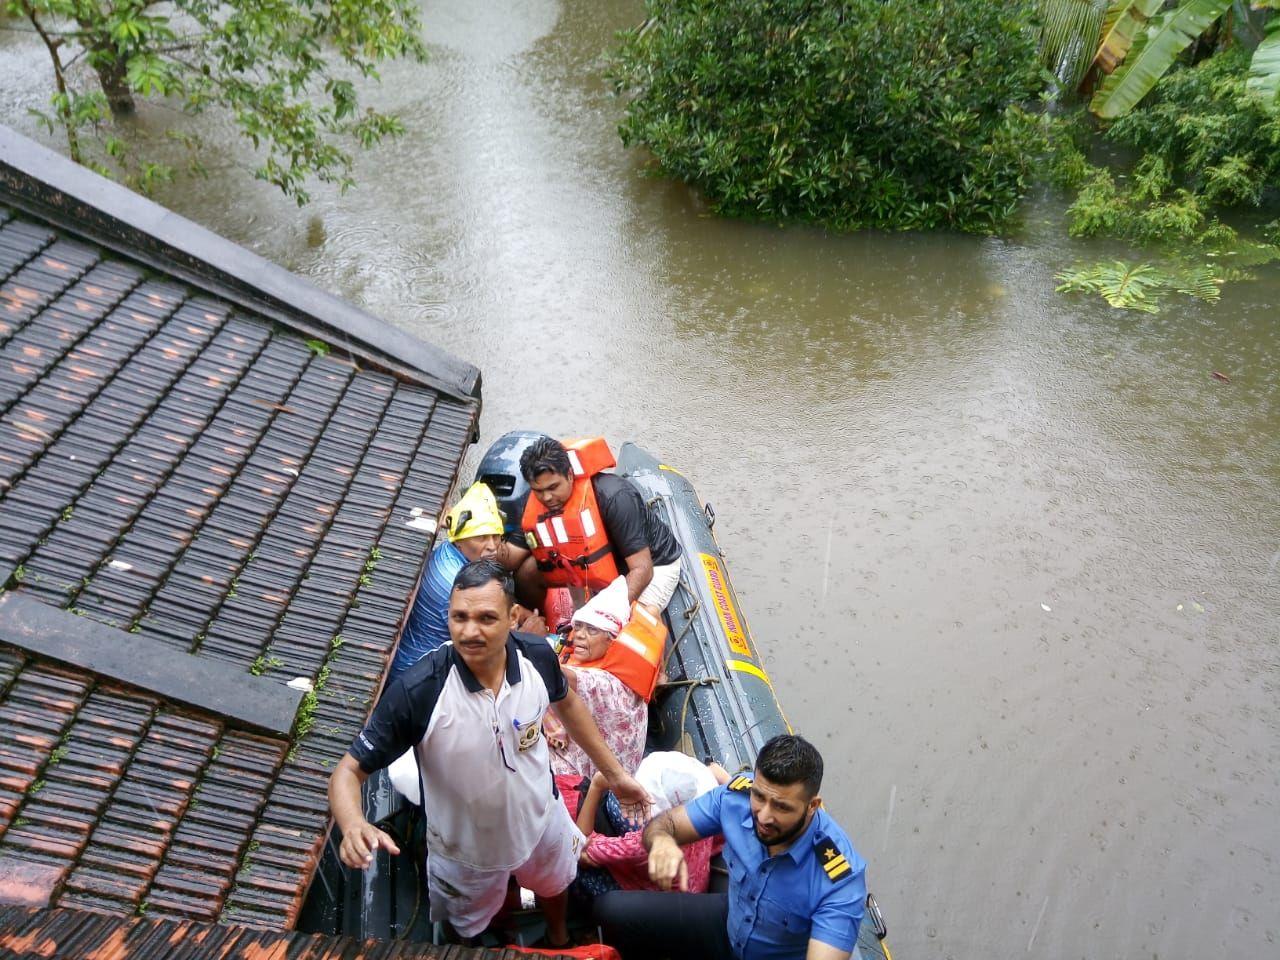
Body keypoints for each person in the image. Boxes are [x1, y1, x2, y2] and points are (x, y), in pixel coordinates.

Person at [328, 559, 650, 948]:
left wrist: (615, 775)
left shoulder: (536, 656)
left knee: (555, 882)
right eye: (459, 617)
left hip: (541, 818)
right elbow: (348, 772)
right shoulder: (420, 691)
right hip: (465, 847)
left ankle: (559, 936)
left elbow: (567, 703)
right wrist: (353, 824)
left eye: (486, 618)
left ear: (513, 617)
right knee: (466, 922)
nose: (469, 631)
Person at [594, 735, 867, 960]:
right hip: (731, 924)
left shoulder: (839, 880)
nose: (763, 816)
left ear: (812, 806)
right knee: (611, 909)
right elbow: (665, 825)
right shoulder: (737, 798)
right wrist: (662, 841)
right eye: (759, 796)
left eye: (781, 807)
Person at [392, 482, 543, 679]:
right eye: (481, 537)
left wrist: (524, 616)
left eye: (496, 536)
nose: (492, 546)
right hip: (427, 679)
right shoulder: (458, 585)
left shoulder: (450, 552)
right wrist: (530, 637)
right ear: (460, 539)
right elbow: (489, 647)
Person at [516, 436, 682, 613]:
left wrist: (607, 614)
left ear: (570, 475)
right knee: (527, 572)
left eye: (553, 487)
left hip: (653, 565)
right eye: (538, 491)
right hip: (589, 565)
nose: (547, 497)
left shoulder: (616, 497)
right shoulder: (537, 504)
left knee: (616, 624)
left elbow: (643, 569)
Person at [568, 754, 729, 899]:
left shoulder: (639, 846)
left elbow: (581, 850)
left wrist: (596, 785)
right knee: (615, 802)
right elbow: (716, 770)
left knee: (577, 870)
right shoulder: (706, 816)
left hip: (659, 895)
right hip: (694, 879)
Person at [544, 577, 654, 780]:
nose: (579, 635)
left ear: (611, 640)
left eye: (592, 630)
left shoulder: (607, 684)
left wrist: (530, 640)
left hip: (583, 778)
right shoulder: (622, 668)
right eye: (578, 627)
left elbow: (549, 671)